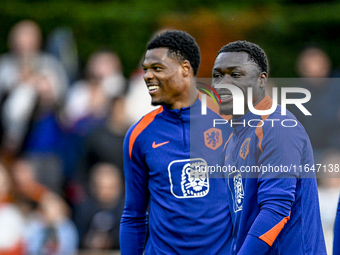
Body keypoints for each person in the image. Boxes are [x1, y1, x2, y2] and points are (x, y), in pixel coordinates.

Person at [120, 30, 233, 254]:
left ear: (185, 69)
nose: (147, 76)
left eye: (157, 68)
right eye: (146, 70)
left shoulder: (230, 127)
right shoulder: (139, 135)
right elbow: (133, 215)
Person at [212, 40, 326, 254]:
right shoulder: (231, 141)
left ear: (261, 80)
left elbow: (276, 210)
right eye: (217, 75)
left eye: (235, 75)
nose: (222, 83)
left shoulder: (277, 126)